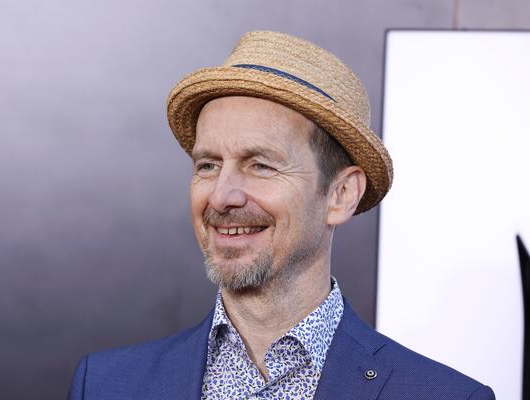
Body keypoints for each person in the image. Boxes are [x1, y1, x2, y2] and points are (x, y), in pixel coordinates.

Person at [68, 30, 495, 399]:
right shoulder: (105, 386)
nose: (222, 196)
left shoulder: (445, 397)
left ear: (341, 195)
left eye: (261, 165)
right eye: (208, 165)